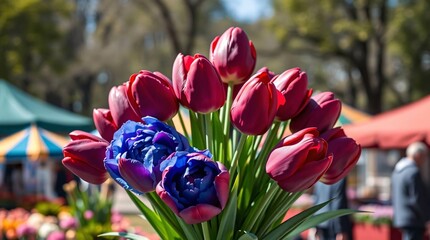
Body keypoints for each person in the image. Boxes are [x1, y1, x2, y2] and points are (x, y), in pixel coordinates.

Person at [392, 141, 430, 240]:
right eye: (424, 156)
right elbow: (418, 198)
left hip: (403, 217)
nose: (425, 160)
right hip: (414, 219)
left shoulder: (398, 170)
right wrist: (427, 219)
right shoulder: (413, 172)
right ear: (418, 155)